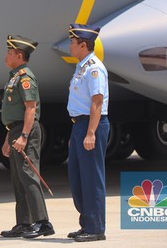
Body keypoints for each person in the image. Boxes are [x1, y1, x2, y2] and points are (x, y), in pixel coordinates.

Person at [0, 35, 54, 239]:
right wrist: (8, 138)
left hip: (26, 130)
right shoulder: (14, 76)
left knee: (29, 175)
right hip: (15, 130)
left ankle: (43, 222)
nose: (6, 56)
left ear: (19, 55)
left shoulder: (25, 77)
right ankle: (24, 222)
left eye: (9, 53)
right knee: (18, 178)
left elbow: (31, 109)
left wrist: (23, 135)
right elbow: (13, 112)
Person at [66, 24, 109, 242]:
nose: (70, 46)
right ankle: (86, 223)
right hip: (79, 125)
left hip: (91, 124)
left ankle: (95, 227)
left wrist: (90, 132)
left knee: (91, 177)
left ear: (83, 45)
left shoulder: (94, 68)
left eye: (73, 42)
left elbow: (97, 101)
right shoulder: (82, 66)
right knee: (77, 176)